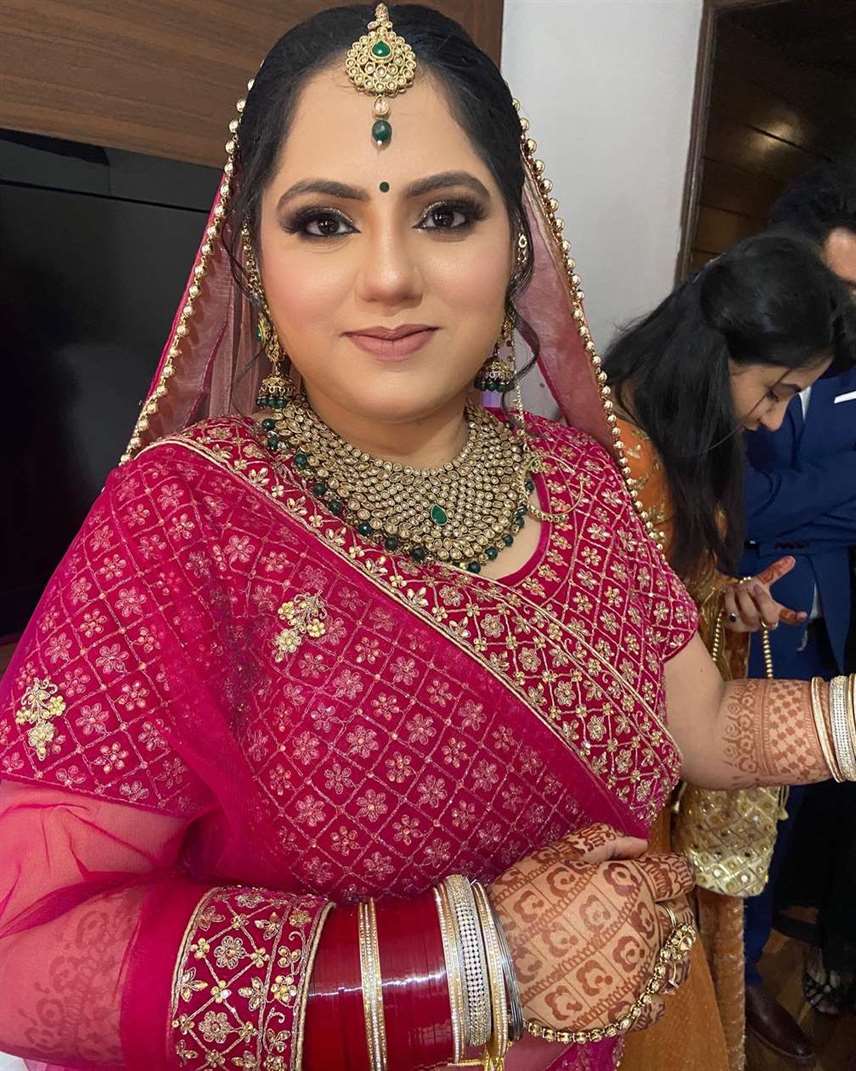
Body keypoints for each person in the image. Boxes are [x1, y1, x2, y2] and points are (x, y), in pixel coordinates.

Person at [0, 7, 854, 1071]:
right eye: (324, 221)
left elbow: (706, 723)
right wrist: (476, 963)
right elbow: (24, 948)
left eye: (446, 214)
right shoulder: (185, 517)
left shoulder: (582, 480)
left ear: (516, 241)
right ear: (254, 259)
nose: (391, 275)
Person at [602, 231, 856, 1071]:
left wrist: (725, 596)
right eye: (774, 391)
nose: (774, 418)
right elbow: (625, 650)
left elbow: (667, 595)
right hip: (619, 792)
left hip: (662, 758)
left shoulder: (673, 441)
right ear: (716, 351)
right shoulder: (621, 458)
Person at [739, 160, 856, 1063]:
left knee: (780, 827)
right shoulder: (730, 340)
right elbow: (732, 505)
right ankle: (694, 977)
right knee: (709, 814)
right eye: (840, 289)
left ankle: (745, 971)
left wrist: (786, 508)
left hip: (822, 633)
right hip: (726, 623)